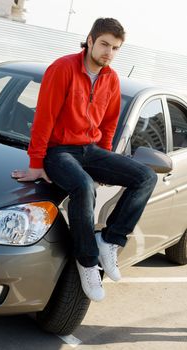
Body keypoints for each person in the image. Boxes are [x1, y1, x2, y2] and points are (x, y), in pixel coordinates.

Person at [12, 17, 157, 302]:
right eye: (104, 44)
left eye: (115, 48)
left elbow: (109, 124)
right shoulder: (63, 68)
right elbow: (44, 117)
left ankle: (110, 240)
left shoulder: (111, 79)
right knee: (84, 186)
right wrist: (36, 163)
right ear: (90, 40)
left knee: (146, 177)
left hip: (90, 149)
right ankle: (87, 261)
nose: (109, 52)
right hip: (59, 151)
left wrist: (104, 159)